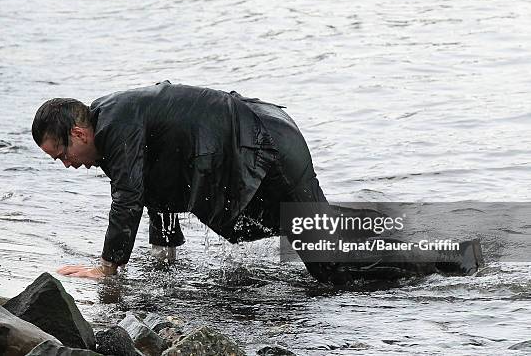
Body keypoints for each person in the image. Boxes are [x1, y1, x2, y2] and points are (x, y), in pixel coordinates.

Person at [32, 81, 482, 283]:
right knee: (303, 228)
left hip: (265, 146)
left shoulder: (115, 125)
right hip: (257, 143)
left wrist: (109, 266)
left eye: (62, 155)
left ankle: (450, 259)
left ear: (78, 132)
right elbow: (155, 187)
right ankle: (392, 230)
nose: (67, 165)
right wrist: (164, 252)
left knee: (331, 269)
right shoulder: (112, 128)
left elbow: (128, 195)